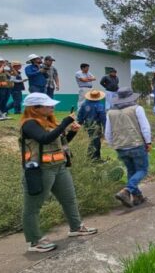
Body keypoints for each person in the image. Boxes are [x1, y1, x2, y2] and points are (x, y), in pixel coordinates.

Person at [20, 93, 98, 253]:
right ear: (35, 108)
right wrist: (64, 123)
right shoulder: (29, 124)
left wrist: (72, 132)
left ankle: (76, 227)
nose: (52, 107)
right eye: (48, 105)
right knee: (33, 207)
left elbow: (60, 142)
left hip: (59, 167)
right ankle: (35, 241)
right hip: (40, 170)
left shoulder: (49, 122)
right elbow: (44, 139)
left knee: (69, 199)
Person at [105, 88, 152, 207]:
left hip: (120, 146)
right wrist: (148, 142)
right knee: (142, 170)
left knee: (131, 171)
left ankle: (137, 197)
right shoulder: (137, 109)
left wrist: (112, 144)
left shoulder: (110, 112)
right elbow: (145, 127)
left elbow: (107, 132)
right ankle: (126, 191)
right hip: (136, 144)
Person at [77, 89, 107, 162]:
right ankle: (93, 158)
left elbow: (80, 115)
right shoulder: (99, 105)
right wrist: (105, 128)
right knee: (95, 141)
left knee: (93, 140)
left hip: (87, 124)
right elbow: (103, 118)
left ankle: (95, 157)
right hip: (95, 125)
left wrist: (79, 124)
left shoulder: (84, 104)